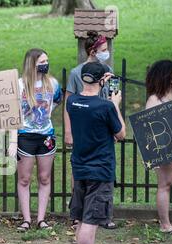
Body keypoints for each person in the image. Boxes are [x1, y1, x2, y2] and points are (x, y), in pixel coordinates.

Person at [67, 62, 126, 244]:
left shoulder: (72, 102)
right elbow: (121, 134)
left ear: (83, 78)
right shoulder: (105, 107)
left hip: (80, 168)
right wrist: (115, 104)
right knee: (90, 222)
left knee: (82, 219)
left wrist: (101, 87)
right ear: (102, 81)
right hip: (100, 171)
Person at [64, 30, 117, 230]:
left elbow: (115, 95)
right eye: (104, 49)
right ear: (93, 51)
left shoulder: (109, 69)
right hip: (83, 125)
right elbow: (69, 100)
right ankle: (78, 212)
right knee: (80, 167)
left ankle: (105, 213)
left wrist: (115, 123)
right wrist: (68, 131)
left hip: (104, 124)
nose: (107, 52)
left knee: (105, 168)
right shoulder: (76, 73)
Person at [8, 48, 62, 231]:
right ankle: (26, 219)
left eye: (47, 61)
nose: (45, 65)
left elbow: (55, 101)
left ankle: (41, 219)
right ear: (32, 64)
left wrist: (43, 116)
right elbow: (13, 114)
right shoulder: (19, 85)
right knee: (24, 178)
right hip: (25, 136)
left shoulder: (53, 83)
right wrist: (13, 141)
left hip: (45, 135)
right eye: (41, 62)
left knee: (44, 178)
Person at [145, 60, 172, 234]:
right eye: (171, 76)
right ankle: (165, 224)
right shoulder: (154, 99)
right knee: (166, 183)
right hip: (166, 146)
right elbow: (148, 126)